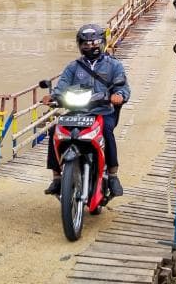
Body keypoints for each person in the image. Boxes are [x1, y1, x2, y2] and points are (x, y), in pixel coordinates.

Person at [42, 24, 130, 197]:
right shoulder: (73, 67)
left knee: (106, 131)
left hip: (103, 111)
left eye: (95, 42)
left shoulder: (114, 66)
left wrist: (119, 95)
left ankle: (113, 175)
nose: (90, 46)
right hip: (76, 111)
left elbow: (123, 88)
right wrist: (53, 96)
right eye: (85, 43)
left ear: (102, 42)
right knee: (54, 130)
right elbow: (62, 86)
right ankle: (57, 177)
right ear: (80, 45)